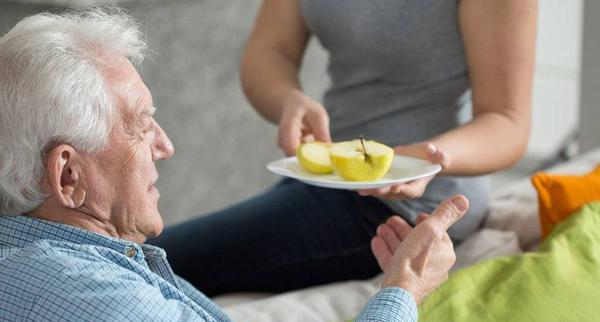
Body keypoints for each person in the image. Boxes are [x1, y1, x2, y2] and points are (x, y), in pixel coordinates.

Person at [0, 9, 470, 322]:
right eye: (141, 125)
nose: (165, 146)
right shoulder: (83, 298)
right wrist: (405, 289)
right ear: (68, 174)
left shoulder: (70, 264)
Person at [150, 0, 537, 297]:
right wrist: (288, 99)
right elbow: (272, 49)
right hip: (326, 182)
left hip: (412, 207)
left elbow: (507, 121)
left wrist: (429, 159)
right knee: (134, 258)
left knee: (150, 262)